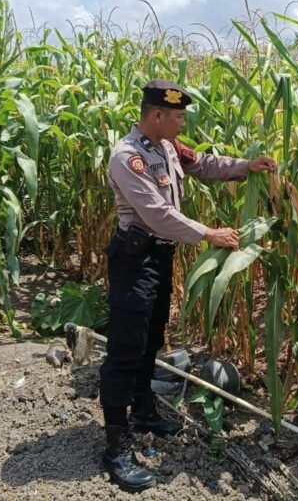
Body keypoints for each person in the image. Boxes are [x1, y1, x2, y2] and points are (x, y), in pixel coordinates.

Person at [100, 78, 276, 493]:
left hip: (159, 259)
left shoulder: (167, 147)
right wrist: (207, 233)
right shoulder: (128, 158)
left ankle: (143, 409)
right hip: (134, 261)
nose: (182, 124)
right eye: (177, 116)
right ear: (157, 115)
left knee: (150, 340)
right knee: (125, 351)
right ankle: (115, 445)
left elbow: (204, 164)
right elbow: (157, 213)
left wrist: (244, 165)